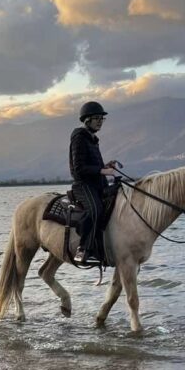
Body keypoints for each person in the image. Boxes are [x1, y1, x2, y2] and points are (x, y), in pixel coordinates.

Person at [69, 100, 120, 263]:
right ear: (87, 120)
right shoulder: (79, 138)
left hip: (97, 184)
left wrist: (105, 166)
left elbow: (93, 166)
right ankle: (83, 249)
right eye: (96, 118)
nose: (100, 121)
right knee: (96, 210)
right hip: (83, 186)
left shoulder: (93, 139)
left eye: (101, 118)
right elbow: (79, 169)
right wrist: (102, 171)